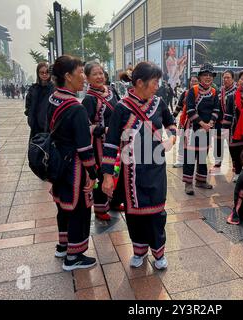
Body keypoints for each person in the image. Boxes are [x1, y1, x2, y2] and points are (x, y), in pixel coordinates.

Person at [101, 62, 177, 270]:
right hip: (131, 173)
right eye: (154, 82)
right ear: (140, 83)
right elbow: (110, 143)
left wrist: (171, 139)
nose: (157, 86)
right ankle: (139, 251)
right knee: (134, 214)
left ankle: (159, 253)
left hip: (155, 168)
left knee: (156, 213)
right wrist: (107, 175)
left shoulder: (159, 103)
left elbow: (172, 125)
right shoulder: (121, 108)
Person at [47, 55, 98, 271]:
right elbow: (85, 148)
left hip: (58, 163)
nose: (84, 79)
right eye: (80, 74)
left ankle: (63, 245)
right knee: (78, 209)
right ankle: (74, 257)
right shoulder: (75, 107)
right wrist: (93, 173)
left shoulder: (54, 98)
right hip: (74, 168)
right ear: (68, 76)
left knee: (63, 207)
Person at [82, 61, 123, 221]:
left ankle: (114, 201)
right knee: (102, 173)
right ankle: (100, 208)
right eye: (95, 74)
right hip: (100, 144)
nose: (99, 77)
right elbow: (86, 126)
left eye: (101, 73)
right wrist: (104, 130)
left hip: (116, 140)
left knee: (116, 170)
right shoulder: (89, 99)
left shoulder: (112, 91)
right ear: (87, 78)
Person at [183, 63, 220, 195]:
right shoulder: (193, 90)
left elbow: (216, 109)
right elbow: (190, 110)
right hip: (193, 127)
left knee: (203, 156)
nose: (208, 77)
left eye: (210, 75)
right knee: (190, 156)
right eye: (205, 75)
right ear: (200, 77)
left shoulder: (214, 92)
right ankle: (188, 183)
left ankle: (201, 180)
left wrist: (210, 123)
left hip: (206, 129)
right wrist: (202, 124)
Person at [211, 70, 237, 173]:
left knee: (233, 145)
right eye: (224, 78)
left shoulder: (237, 92)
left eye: (228, 78)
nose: (225, 80)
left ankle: (235, 164)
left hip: (232, 124)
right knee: (218, 143)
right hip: (219, 122)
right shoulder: (219, 92)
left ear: (233, 79)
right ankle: (218, 162)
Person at [172, 75, 199, 168]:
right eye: (192, 81)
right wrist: (172, 117)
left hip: (197, 122)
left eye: (196, 81)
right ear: (189, 82)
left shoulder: (202, 94)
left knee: (196, 142)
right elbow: (179, 107)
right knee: (182, 141)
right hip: (185, 121)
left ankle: (193, 160)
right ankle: (180, 160)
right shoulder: (185, 93)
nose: (194, 83)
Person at [25, 62, 55, 138]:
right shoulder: (33, 89)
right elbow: (28, 105)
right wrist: (31, 118)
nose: (44, 75)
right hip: (35, 127)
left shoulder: (54, 88)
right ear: (38, 73)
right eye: (42, 72)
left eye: (47, 72)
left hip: (50, 126)